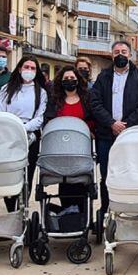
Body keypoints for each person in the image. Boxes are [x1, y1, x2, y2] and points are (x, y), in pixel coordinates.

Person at [89, 41, 138, 224]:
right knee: (107, 174)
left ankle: (134, 211)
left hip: (132, 135)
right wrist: (111, 123)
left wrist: (126, 125)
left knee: (133, 173)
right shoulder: (103, 77)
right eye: (116, 51)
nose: (120, 55)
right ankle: (106, 211)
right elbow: (95, 103)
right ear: (111, 55)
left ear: (130, 55)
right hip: (106, 135)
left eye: (124, 51)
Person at [0, 55, 48, 211]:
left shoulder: (41, 92)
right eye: (26, 67)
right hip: (8, 136)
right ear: (19, 69)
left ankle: (23, 207)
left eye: (32, 68)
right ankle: (11, 208)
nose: (29, 71)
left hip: (30, 136)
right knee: (10, 173)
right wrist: (13, 127)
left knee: (27, 174)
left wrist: (24, 128)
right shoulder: (6, 89)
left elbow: (40, 117)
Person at [43, 65, 93, 213]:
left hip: (81, 147)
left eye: (72, 78)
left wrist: (89, 130)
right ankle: (67, 214)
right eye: (66, 79)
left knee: (81, 181)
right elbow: (49, 120)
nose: (69, 81)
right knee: (64, 180)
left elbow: (91, 118)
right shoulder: (55, 100)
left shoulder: (86, 99)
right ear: (61, 81)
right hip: (61, 148)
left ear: (78, 80)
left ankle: (82, 216)